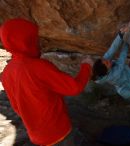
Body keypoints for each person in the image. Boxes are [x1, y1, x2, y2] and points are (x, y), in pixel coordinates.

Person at [0, 18, 93, 146]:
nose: (38, 43)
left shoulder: (6, 73)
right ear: (25, 42)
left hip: (36, 136)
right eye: (33, 39)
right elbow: (74, 88)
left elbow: (17, 108)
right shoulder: (38, 67)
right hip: (59, 132)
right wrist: (86, 66)